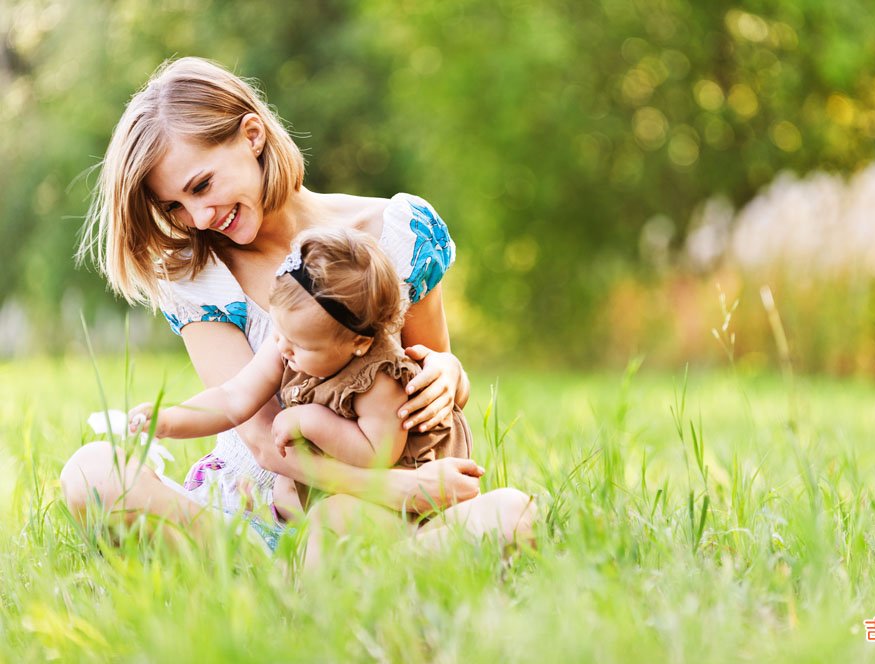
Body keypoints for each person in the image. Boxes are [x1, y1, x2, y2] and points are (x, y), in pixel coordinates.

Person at [60, 56, 534, 555]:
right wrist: (391, 487)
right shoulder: (198, 275)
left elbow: (430, 374)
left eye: (202, 185)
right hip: (257, 517)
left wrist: (447, 374)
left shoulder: (399, 230)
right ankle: (310, 573)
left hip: (385, 513)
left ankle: (341, 577)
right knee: (92, 474)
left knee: (514, 515)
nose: (198, 216)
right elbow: (264, 440)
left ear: (252, 135)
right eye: (174, 206)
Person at [128, 228, 474, 539]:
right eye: (280, 331)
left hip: (405, 497)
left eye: (302, 345)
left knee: (338, 520)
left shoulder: (381, 380)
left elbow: (376, 454)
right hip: (350, 494)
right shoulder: (290, 342)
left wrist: (310, 420)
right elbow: (234, 397)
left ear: (360, 342)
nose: (283, 348)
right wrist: (170, 419)